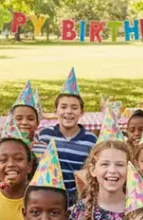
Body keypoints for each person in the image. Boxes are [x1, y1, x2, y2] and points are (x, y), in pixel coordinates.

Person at [35, 68, 97, 201]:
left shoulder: (90, 140)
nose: (68, 112)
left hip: (78, 199)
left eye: (74, 108)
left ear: (81, 112)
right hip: (48, 195)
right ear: (55, 111)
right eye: (63, 107)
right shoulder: (45, 135)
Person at [67, 138, 131, 220]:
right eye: (105, 164)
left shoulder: (137, 209)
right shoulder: (81, 209)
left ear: (130, 169)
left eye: (120, 165)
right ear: (92, 170)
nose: (112, 170)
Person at [11, 79, 44, 146]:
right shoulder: (4, 146)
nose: (24, 122)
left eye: (30, 119)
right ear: (11, 122)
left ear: (37, 123)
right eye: (19, 118)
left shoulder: (42, 147)